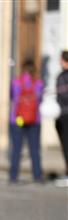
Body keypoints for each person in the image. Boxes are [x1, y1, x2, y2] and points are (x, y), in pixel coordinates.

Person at [9, 60, 44, 184]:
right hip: (34, 120)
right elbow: (40, 100)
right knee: (35, 150)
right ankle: (37, 176)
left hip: (17, 120)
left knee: (16, 150)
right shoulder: (39, 83)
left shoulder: (16, 82)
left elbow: (12, 98)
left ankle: (13, 177)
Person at [54, 51, 68, 187]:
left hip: (65, 115)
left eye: (60, 60)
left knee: (66, 145)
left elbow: (62, 96)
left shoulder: (62, 76)